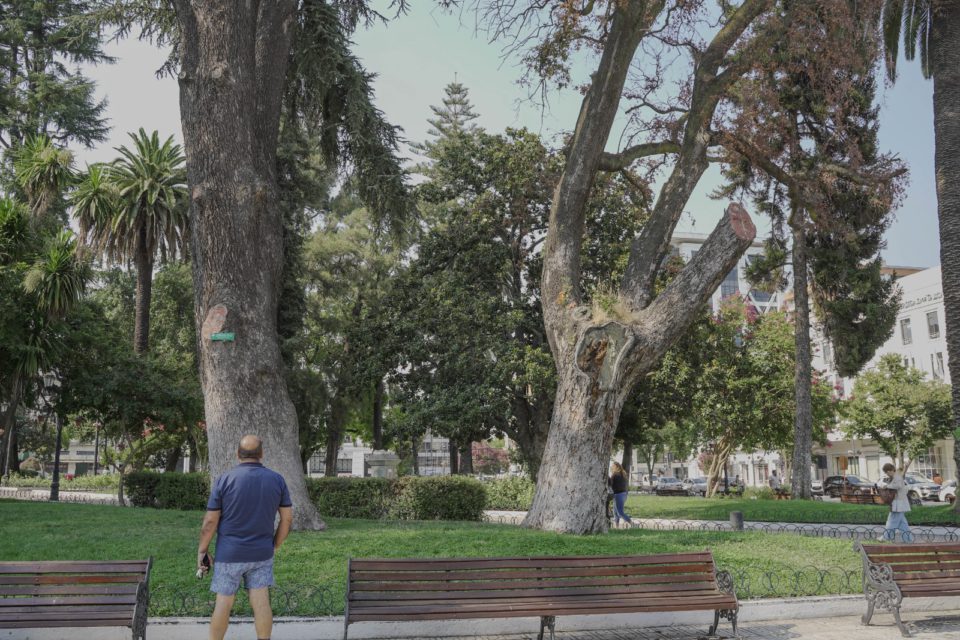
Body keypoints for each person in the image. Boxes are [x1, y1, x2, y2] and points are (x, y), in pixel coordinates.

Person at [197, 435, 294, 640]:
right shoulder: (277, 480)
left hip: (228, 554)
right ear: (262, 454)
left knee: (223, 603)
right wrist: (275, 545)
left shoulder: (224, 479)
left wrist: (202, 551)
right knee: (261, 603)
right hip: (261, 554)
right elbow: (287, 520)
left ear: (237, 454)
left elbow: (210, 522)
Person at [881, 461, 914, 543]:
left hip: (898, 503)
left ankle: (886, 537)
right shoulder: (896, 476)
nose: (887, 474)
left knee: (892, 521)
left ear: (889, 471)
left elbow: (898, 486)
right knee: (902, 524)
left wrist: (887, 486)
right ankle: (908, 539)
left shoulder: (897, 477)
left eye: (886, 472)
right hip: (898, 503)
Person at [608, 462, 632, 527]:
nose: (611, 467)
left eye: (613, 466)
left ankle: (632, 524)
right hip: (623, 494)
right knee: (615, 512)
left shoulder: (615, 474)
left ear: (616, 467)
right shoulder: (623, 474)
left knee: (620, 513)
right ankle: (617, 527)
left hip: (618, 495)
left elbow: (610, 484)